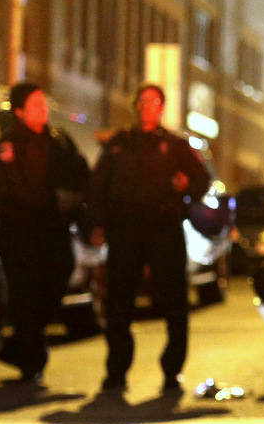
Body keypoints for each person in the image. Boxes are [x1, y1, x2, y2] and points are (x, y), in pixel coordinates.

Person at [90, 84, 211, 395]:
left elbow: (201, 180)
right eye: (142, 101)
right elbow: (99, 185)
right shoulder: (120, 143)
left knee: (174, 302)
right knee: (119, 303)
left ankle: (172, 371)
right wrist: (97, 223)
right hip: (126, 231)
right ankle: (116, 370)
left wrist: (187, 186)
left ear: (162, 108)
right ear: (136, 106)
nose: (147, 107)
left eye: (154, 102)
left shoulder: (175, 146)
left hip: (164, 230)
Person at [0, 84, 90, 383]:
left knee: (59, 276)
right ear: (19, 111)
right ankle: (30, 359)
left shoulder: (58, 141)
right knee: (26, 294)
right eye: (35, 104)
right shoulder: (8, 145)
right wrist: (48, 201)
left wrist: (74, 199)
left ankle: (20, 346)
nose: (42, 108)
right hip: (22, 232)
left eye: (43, 103)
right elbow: (7, 186)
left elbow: (80, 172)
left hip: (54, 230)